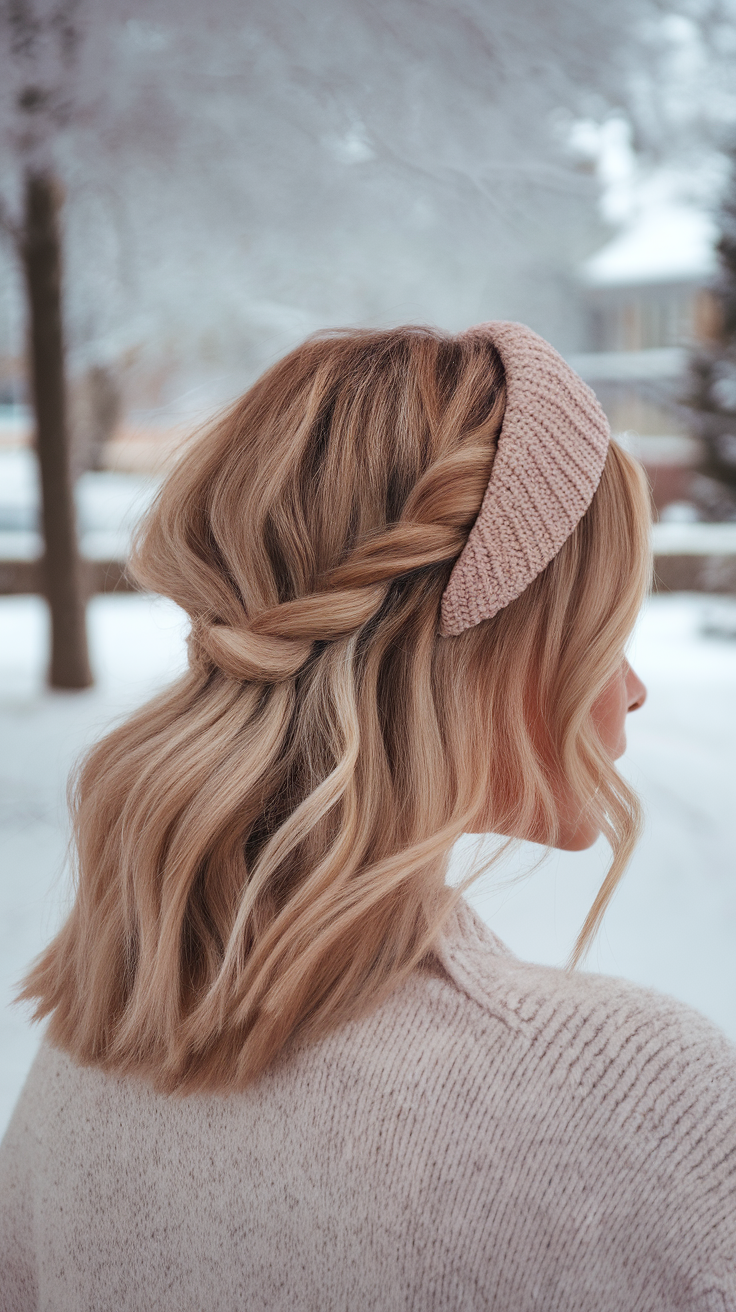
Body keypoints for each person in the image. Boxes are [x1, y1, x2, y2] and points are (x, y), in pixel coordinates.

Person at [1, 322, 734, 1311]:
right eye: (599, 629)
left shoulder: (89, 1059)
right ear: (478, 647)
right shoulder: (632, 1095)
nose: (632, 688)